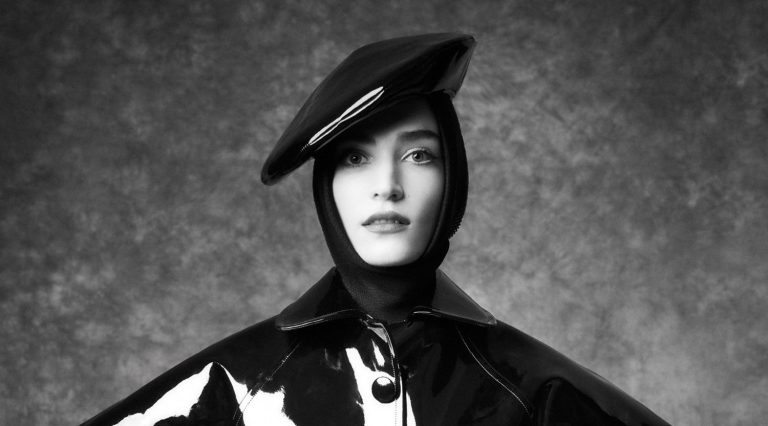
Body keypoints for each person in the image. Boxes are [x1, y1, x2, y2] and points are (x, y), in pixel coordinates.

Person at [81, 33, 670, 426]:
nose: (387, 186)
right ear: (326, 185)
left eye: (419, 156)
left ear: (454, 179)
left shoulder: (540, 389)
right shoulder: (230, 382)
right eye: (356, 158)